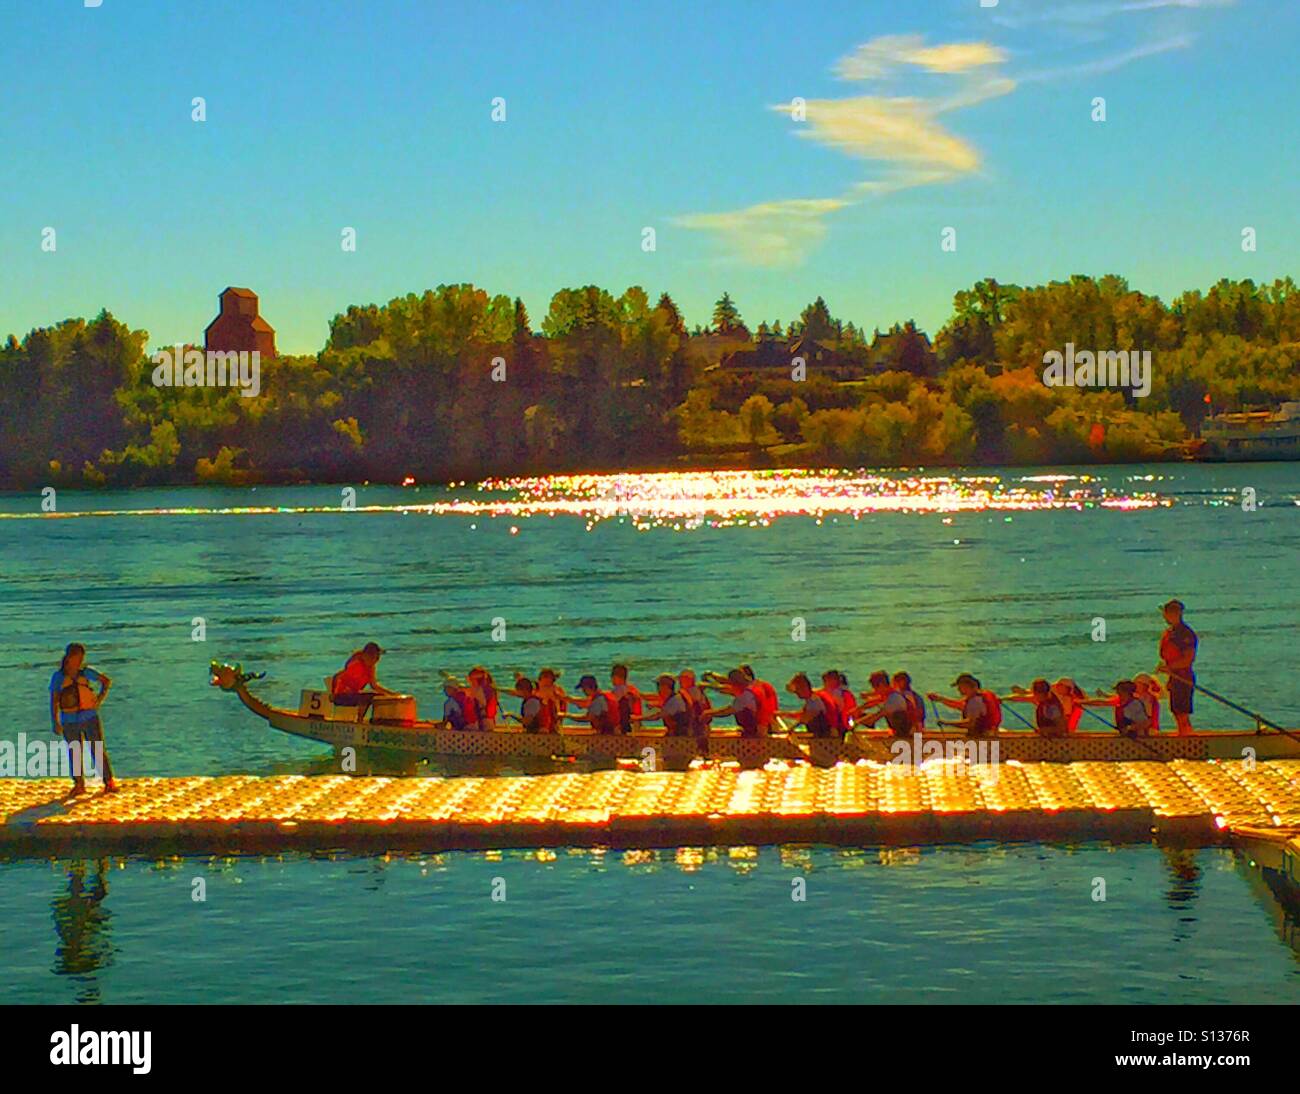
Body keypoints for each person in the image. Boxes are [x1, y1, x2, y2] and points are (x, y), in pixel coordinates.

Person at [49, 643, 117, 795]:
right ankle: (79, 784)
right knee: (75, 751)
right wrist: (55, 721)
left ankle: (108, 781)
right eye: (78, 657)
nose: (80, 661)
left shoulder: (86, 673)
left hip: (89, 717)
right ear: (69, 657)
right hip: (69, 720)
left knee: (97, 749)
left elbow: (106, 681)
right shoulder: (58, 677)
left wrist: (99, 700)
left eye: (82, 658)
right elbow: (53, 700)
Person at [1156, 599, 1197, 735]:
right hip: (1173, 677)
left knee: (1182, 713)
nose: (1164, 616)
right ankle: (1183, 735)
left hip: (1183, 677)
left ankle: (1186, 738)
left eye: (1166, 613)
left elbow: (1188, 659)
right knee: (1176, 711)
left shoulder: (1185, 634)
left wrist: (1170, 667)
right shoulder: (1169, 632)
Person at [330, 642, 395, 719]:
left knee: (378, 697)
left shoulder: (370, 668)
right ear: (366, 655)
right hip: (341, 696)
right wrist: (333, 693)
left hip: (354, 695)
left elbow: (374, 686)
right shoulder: (355, 664)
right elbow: (336, 676)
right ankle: (359, 720)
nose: (376, 661)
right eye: (374, 657)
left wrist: (391, 695)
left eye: (377, 658)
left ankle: (379, 719)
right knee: (365, 698)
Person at [928, 674, 1002, 736]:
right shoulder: (982, 696)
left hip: (982, 737)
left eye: (961, 687)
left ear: (970, 687)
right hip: (992, 734)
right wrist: (940, 699)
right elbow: (960, 705)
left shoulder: (975, 701)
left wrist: (946, 723)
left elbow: (969, 723)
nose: (958, 690)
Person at [703, 669, 761, 737]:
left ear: (735, 684)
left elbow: (727, 711)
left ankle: (750, 733)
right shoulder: (755, 684)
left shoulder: (745, 697)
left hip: (759, 729)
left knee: (741, 712)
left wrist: (708, 713)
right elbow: (725, 683)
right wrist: (711, 676)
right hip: (765, 722)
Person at [739, 665, 780, 734]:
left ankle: (750, 731)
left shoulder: (751, 690)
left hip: (763, 728)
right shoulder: (762, 685)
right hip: (772, 723)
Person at [466, 666, 500, 732]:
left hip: (483, 723)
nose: (470, 683)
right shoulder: (489, 688)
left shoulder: (480, 690)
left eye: (471, 680)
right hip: (488, 722)